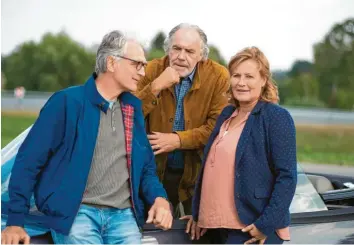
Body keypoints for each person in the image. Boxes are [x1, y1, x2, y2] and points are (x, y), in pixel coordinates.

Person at [1, 30, 173, 245]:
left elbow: (145, 166)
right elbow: (29, 162)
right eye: (137, 64)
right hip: (76, 215)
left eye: (144, 65)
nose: (142, 72)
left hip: (123, 217)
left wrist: (159, 198)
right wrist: (15, 220)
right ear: (111, 62)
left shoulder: (132, 108)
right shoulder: (66, 102)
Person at [186, 47, 297, 244]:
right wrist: (198, 213)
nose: (241, 82)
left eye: (249, 76)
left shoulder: (276, 117)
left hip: (250, 227)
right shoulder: (227, 114)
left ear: (263, 80)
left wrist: (265, 225)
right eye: (236, 75)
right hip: (213, 227)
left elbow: (287, 176)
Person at [135, 23, 229, 215]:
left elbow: (217, 127)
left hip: (197, 174)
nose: (181, 57)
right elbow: (127, 114)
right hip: (152, 172)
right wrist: (156, 86)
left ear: (201, 55)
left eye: (189, 51)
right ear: (168, 49)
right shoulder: (151, 70)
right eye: (176, 49)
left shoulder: (219, 76)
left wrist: (178, 140)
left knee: (195, 234)